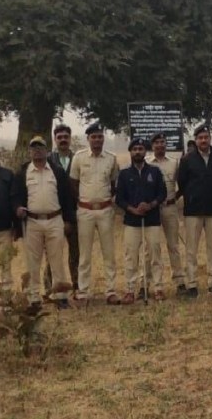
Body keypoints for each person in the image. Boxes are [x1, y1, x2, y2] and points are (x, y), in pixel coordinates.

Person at [14, 136, 75, 309]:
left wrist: (68, 220)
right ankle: (34, 298)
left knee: (56, 259)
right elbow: (16, 196)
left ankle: (61, 296)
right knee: (33, 261)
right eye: (34, 148)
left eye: (41, 147)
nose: (37, 150)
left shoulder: (57, 171)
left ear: (47, 151)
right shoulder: (23, 172)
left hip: (55, 220)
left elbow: (67, 197)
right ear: (30, 152)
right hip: (32, 222)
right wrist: (17, 207)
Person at [70, 123, 120, 304]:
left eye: (100, 136)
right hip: (85, 211)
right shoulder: (79, 157)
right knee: (85, 254)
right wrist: (83, 201)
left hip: (105, 210)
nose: (97, 140)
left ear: (103, 138)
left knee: (109, 252)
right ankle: (83, 292)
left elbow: (114, 184)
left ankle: (111, 291)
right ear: (88, 139)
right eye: (94, 137)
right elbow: (73, 184)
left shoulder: (112, 159)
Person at [176, 125, 212, 298]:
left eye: (206, 137)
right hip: (193, 211)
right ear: (196, 140)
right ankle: (191, 284)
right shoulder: (187, 159)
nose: (203, 140)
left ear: (210, 138)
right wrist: (191, 197)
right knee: (191, 249)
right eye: (200, 138)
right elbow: (182, 183)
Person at [115, 137, 167, 303]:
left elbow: (162, 194)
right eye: (134, 149)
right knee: (131, 256)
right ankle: (130, 289)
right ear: (130, 152)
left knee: (155, 254)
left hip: (152, 219)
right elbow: (120, 199)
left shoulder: (155, 171)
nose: (138, 152)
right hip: (132, 221)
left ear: (145, 152)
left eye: (140, 149)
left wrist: (150, 205)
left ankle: (158, 287)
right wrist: (133, 209)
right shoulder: (124, 174)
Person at [148, 132, 185, 295]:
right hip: (152, 209)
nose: (160, 145)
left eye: (163, 142)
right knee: (151, 247)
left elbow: (181, 184)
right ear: (152, 145)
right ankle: (147, 283)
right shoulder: (147, 162)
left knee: (173, 245)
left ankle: (179, 281)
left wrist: (173, 198)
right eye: (157, 142)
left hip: (169, 208)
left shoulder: (174, 163)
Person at [46, 124, 79, 294]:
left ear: (70, 138)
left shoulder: (78, 158)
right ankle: (50, 288)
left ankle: (77, 286)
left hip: (75, 212)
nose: (63, 140)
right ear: (55, 139)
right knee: (52, 254)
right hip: (53, 214)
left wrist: (71, 217)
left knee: (75, 253)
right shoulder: (47, 160)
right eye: (60, 137)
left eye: (66, 136)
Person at [0, 158, 18, 293]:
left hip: (5, 228)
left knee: (5, 262)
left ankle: (6, 296)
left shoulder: (8, 175)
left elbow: (14, 201)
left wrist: (16, 225)